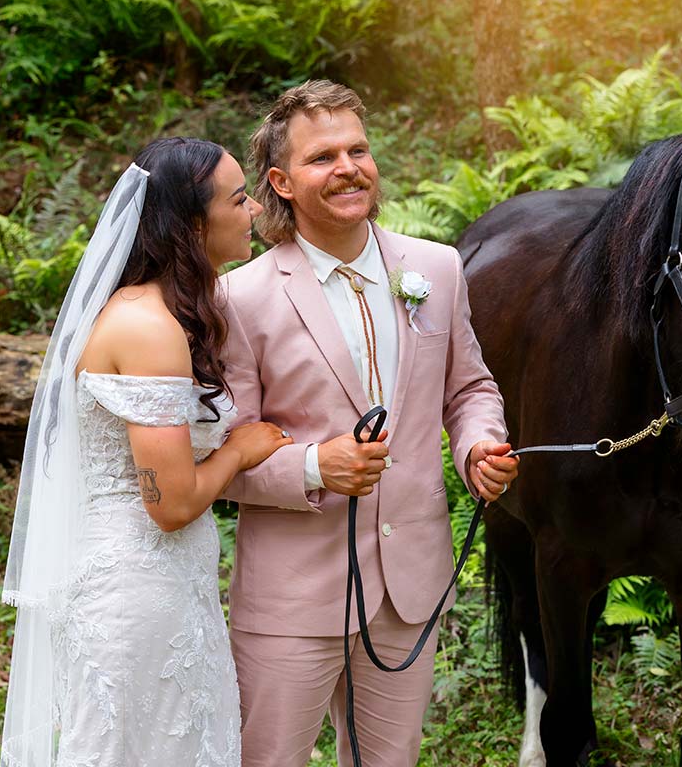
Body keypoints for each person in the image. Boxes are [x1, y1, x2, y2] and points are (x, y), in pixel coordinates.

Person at [219, 79, 521, 766]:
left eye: (358, 149)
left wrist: (478, 445)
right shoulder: (239, 297)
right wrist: (312, 467)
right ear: (281, 181)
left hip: (407, 590)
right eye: (323, 157)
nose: (348, 166)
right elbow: (225, 449)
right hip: (291, 596)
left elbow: (469, 387)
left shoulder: (437, 269)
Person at [0, 137, 289, 767]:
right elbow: (172, 503)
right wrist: (240, 451)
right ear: (191, 223)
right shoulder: (148, 328)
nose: (255, 213)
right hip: (137, 591)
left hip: (167, 584)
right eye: (239, 200)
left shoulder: (159, 311)